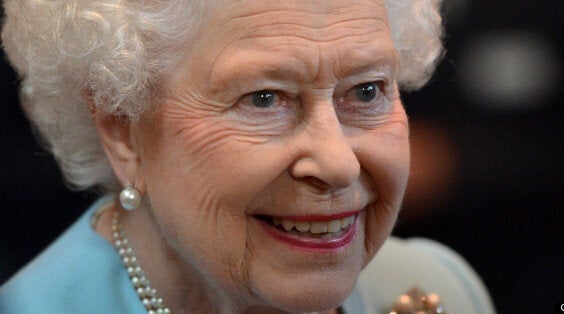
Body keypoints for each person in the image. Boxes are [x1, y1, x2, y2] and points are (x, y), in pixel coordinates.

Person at [0, 1, 494, 313]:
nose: (338, 162)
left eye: (367, 90)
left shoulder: (436, 290)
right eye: (263, 98)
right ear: (122, 130)